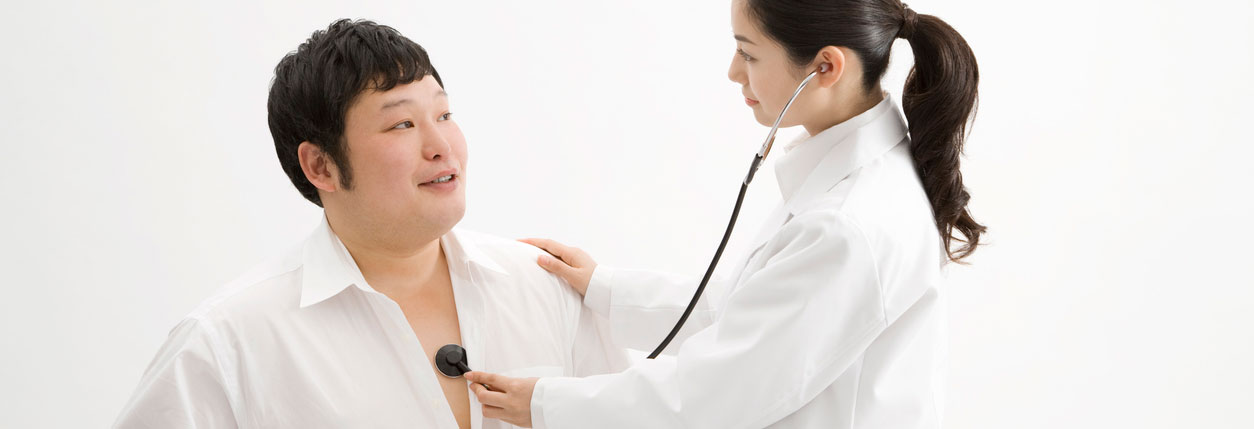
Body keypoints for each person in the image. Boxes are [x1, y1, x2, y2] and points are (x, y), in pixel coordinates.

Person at [463, 1, 985, 428]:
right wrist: (606, 287)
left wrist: (548, 404)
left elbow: (720, 394)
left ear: (825, 67)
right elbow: (750, 310)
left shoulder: (847, 223)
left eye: (749, 54)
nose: (733, 72)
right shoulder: (855, 183)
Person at [113, 19, 626, 429]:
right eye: (401, 123)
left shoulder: (549, 286)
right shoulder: (228, 342)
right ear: (321, 166)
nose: (440, 145)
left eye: (444, 115)